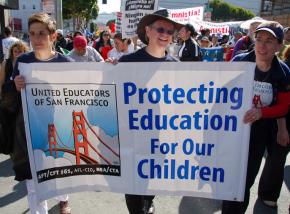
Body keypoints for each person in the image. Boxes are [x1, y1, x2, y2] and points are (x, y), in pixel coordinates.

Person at [2, 12, 73, 214]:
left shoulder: (65, 64)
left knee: (59, 174)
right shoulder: (23, 61)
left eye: (41, 33)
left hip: (59, 130)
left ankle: (63, 199)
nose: (36, 39)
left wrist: (112, 70)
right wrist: (13, 86)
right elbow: (9, 96)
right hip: (28, 132)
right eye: (32, 34)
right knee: (33, 183)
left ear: (53, 36)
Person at [118, 9, 183, 214]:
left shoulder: (177, 67)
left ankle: (148, 202)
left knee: (151, 182)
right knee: (133, 189)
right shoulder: (127, 63)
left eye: (170, 31)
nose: (165, 34)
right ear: (148, 30)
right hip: (132, 138)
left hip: (161, 138)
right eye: (160, 29)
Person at [222, 21, 290, 214]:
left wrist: (264, 114)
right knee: (238, 178)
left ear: (279, 45)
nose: (262, 45)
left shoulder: (283, 72)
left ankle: (257, 200)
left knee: (257, 172)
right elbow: (222, 95)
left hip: (264, 128)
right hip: (238, 128)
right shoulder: (239, 62)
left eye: (269, 41)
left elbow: (283, 106)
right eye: (259, 39)